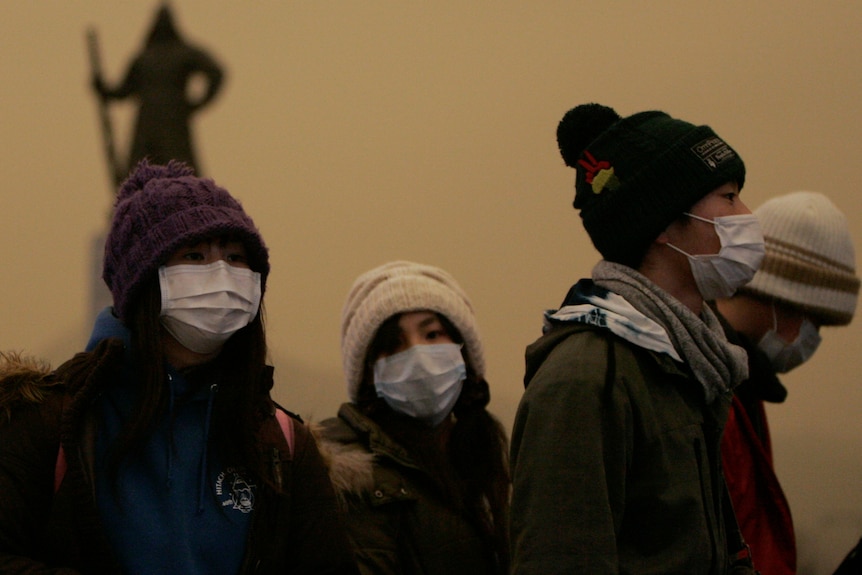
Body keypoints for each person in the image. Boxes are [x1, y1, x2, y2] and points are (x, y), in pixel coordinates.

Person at [0, 160, 358, 574]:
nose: (222, 273)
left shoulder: (280, 443)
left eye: (236, 257)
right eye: (194, 255)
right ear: (143, 282)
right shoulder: (51, 422)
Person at [509, 103, 765, 574]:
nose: (748, 215)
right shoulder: (585, 381)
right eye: (728, 198)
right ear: (665, 224)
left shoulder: (691, 363)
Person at [313, 261, 510, 575]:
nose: (417, 354)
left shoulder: (481, 456)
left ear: (464, 351)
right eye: (394, 346)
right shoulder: (350, 472)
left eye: (432, 333)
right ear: (368, 376)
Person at [714, 191, 860, 575]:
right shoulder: (713, 397)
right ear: (782, 297)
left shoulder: (742, 387)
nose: (814, 339)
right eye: (817, 321)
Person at [92, 4, 224, 177]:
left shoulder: (176, 54)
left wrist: (198, 104)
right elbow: (123, 91)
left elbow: (216, 73)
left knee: (178, 167)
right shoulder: (144, 58)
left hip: (172, 122)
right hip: (149, 123)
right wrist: (103, 88)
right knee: (140, 170)